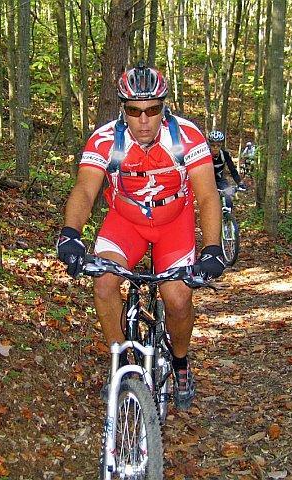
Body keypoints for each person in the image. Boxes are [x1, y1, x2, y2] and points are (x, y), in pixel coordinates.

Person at [57, 62, 225, 411]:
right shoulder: (105, 140)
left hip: (174, 221)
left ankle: (180, 361)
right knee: (104, 283)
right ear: (123, 109)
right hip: (126, 220)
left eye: (152, 110)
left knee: (177, 298)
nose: (144, 120)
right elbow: (85, 190)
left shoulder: (187, 137)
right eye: (134, 111)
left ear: (164, 108)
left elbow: (208, 195)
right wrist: (70, 234)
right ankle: (121, 364)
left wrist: (212, 248)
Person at [207, 130, 246, 209]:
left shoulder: (224, 155)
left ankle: (228, 218)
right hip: (207, 181)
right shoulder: (205, 154)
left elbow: (232, 170)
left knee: (228, 199)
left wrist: (239, 183)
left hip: (220, 180)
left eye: (218, 145)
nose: (215, 148)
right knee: (208, 203)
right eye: (213, 145)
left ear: (221, 145)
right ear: (209, 145)